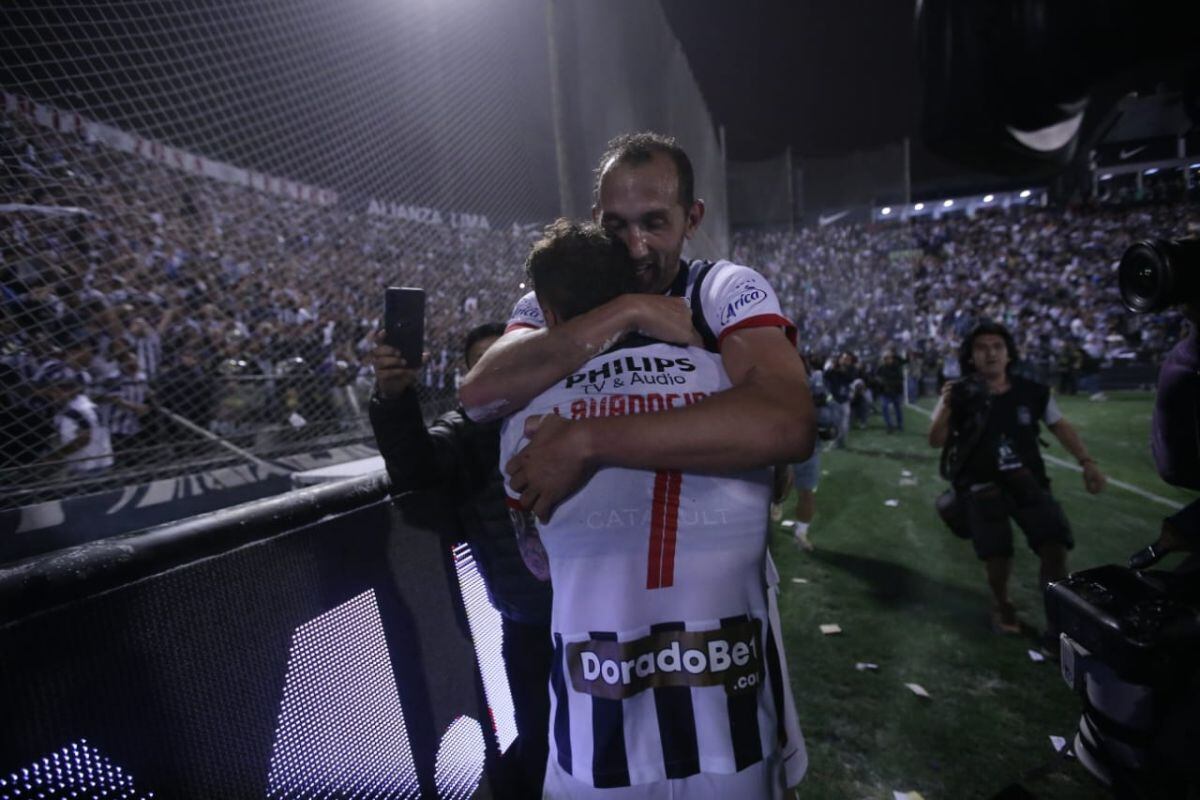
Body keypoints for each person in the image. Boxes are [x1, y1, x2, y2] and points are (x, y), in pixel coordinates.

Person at [500, 219, 805, 798]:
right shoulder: (732, 386)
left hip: (598, 731)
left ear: (551, 314)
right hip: (733, 723)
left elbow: (536, 558)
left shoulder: (528, 417)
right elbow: (780, 479)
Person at [461, 132, 814, 522]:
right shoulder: (556, 298)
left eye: (654, 223)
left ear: (692, 219)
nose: (635, 247)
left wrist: (588, 440)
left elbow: (788, 422)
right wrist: (629, 310)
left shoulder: (721, 288)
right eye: (615, 226)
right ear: (596, 219)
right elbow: (480, 396)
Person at [368, 321, 553, 799]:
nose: (500, 372)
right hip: (530, 623)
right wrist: (394, 398)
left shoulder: (572, 409)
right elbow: (415, 465)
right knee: (541, 739)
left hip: (603, 615)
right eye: (485, 364)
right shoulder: (465, 431)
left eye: (509, 358)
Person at [928, 321, 1106, 638]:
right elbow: (936, 440)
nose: (991, 353)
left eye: (997, 346)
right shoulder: (959, 393)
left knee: (1054, 545)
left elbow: (1059, 426)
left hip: (1029, 481)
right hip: (982, 487)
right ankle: (1002, 604)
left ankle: (1056, 616)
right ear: (970, 357)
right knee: (997, 555)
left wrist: (1087, 462)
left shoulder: (1033, 391)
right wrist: (947, 407)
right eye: (981, 348)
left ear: (1009, 354)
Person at [875, 349, 905, 434]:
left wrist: (888, 384)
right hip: (885, 392)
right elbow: (876, 377)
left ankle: (900, 425)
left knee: (898, 409)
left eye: (888, 358)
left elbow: (900, 379)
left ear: (891, 358)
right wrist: (880, 381)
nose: (886, 360)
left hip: (896, 391)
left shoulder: (897, 367)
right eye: (885, 358)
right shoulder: (881, 368)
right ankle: (889, 425)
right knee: (884, 407)